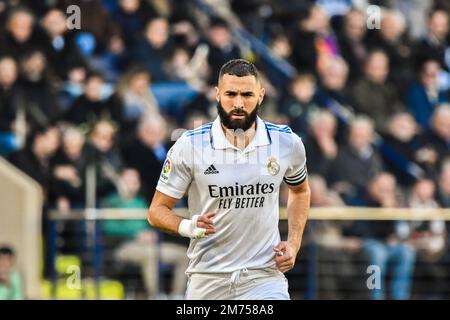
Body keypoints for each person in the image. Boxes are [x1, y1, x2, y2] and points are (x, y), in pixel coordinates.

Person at [148, 59, 311, 300]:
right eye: (230, 94)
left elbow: (300, 191)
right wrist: (188, 226)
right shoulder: (190, 145)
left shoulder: (287, 142)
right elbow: (156, 211)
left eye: (247, 94)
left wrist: (294, 242)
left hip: (263, 277)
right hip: (208, 279)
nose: (238, 103)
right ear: (216, 94)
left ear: (261, 95)